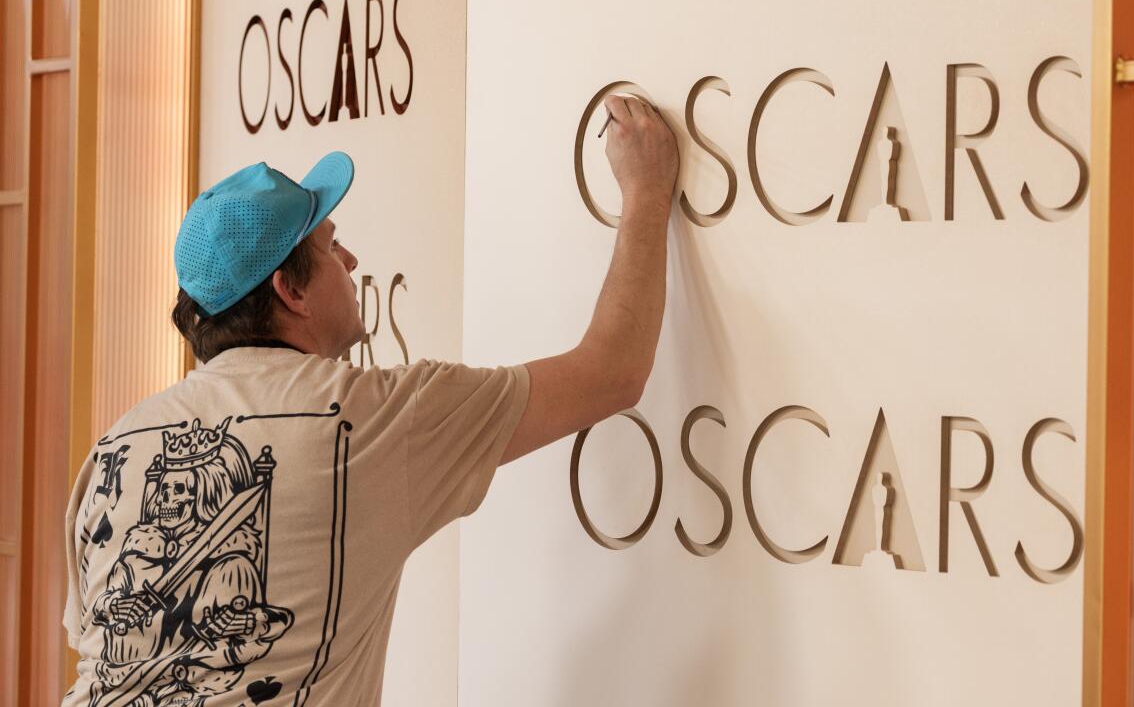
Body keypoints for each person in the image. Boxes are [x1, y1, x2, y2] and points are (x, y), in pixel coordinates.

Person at [61, 94, 679, 707]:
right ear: (290, 291)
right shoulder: (370, 419)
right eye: (331, 247)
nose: (351, 261)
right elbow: (612, 371)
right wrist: (646, 193)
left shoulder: (115, 445)